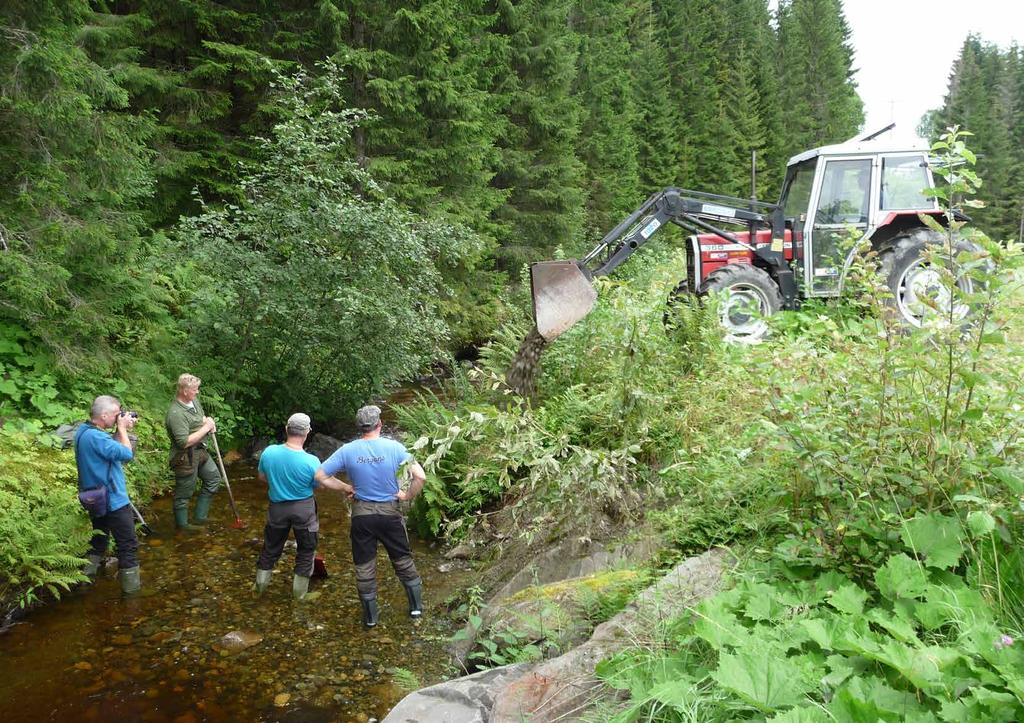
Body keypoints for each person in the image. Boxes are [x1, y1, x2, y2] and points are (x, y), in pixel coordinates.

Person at [316, 405, 427, 628]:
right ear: (380, 424)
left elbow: (320, 476)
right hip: (390, 514)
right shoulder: (395, 447)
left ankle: (371, 619)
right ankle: (415, 609)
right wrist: (406, 495)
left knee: (364, 566)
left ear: (359, 427)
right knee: (403, 560)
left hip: (362, 517)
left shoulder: (347, 450)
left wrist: (346, 488)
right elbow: (420, 477)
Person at [254, 413, 349, 600]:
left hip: (277, 509)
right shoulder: (311, 461)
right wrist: (346, 487)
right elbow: (321, 485)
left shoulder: (269, 452)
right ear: (306, 433)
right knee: (306, 551)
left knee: (270, 549)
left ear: (287, 429)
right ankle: (299, 596)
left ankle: (259, 589)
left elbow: (262, 477)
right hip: (303, 509)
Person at [74, 395, 141, 594]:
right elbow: (127, 454)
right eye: (115, 414)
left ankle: (84, 583)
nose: (117, 417)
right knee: (128, 546)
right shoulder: (96, 437)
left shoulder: (84, 431)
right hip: (113, 500)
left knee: (99, 541)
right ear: (103, 415)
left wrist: (121, 429)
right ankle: (132, 596)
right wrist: (122, 429)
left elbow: (109, 449)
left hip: (96, 498)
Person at [165, 373, 221, 531]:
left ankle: (200, 517)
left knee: (214, 479)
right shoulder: (176, 414)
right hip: (185, 457)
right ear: (184, 391)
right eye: (195, 389)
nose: (197, 392)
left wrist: (208, 421)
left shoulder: (193, 401)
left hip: (200, 450)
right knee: (184, 495)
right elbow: (183, 442)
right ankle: (183, 527)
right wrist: (206, 428)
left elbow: (200, 418)